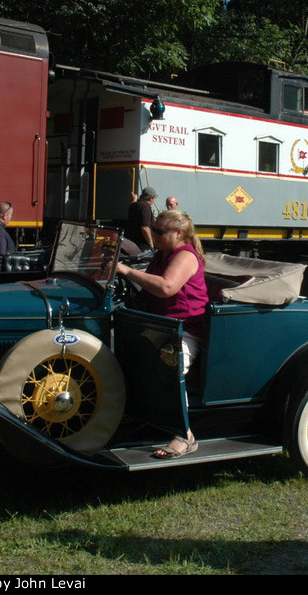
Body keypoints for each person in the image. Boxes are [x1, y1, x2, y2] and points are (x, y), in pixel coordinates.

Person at [115, 210, 207, 458]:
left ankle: (185, 436)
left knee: (170, 366)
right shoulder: (162, 253)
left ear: (178, 233)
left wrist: (126, 271)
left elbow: (166, 287)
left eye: (159, 231)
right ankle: (140, 417)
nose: (153, 234)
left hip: (185, 330)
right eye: (153, 229)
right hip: (160, 325)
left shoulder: (185, 255)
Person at [126, 186, 158, 252]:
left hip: (133, 244)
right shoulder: (145, 206)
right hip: (144, 247)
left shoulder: (134, 205)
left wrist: (134, 199)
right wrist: (151, 246)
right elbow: (145, 228)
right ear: (151, 197)